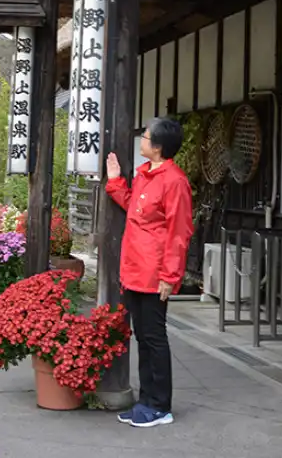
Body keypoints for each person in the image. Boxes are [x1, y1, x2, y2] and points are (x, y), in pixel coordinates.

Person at [104, 116, 194, 429]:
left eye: (145, 137)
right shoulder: (145, 175)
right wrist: (115, 181)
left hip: (155, 273)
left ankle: (160, 406)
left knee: (154, 338)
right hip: (135, 268)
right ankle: (146, 401)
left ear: (156, 147)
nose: (141, 140)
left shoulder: (175, 181)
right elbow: (136, 209)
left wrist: (170, 277)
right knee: (142, 336)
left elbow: (179, 232)